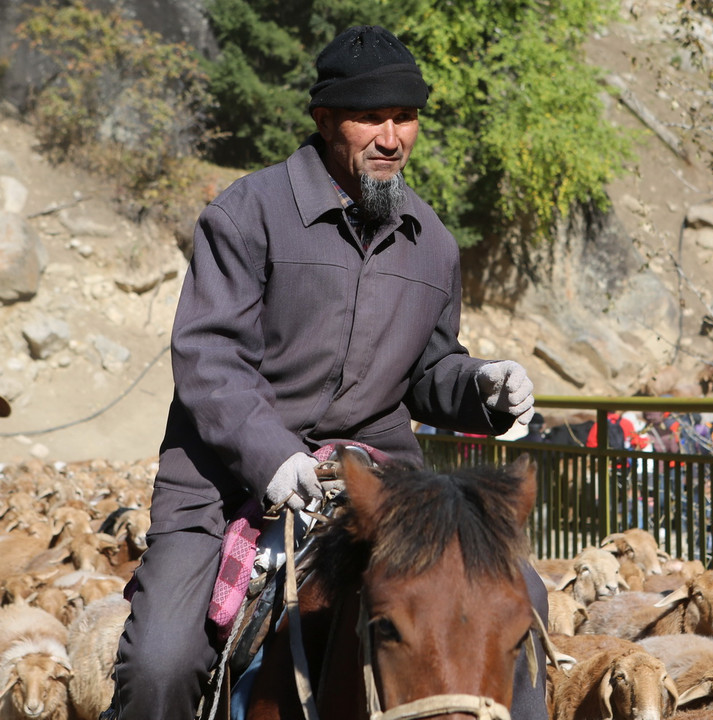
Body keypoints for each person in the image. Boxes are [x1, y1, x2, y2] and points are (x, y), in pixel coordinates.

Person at [106, 25, 546, 720]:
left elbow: (430, 368)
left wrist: (481, 387)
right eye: (370, 116)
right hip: (223, 486)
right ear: (323, 119)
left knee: (521, 598)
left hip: (377, 488)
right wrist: (273, 456)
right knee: (160, 664)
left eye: (405, 118)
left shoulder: (431, 242)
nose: (391, 136)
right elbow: (209, 357)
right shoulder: (246, 214)